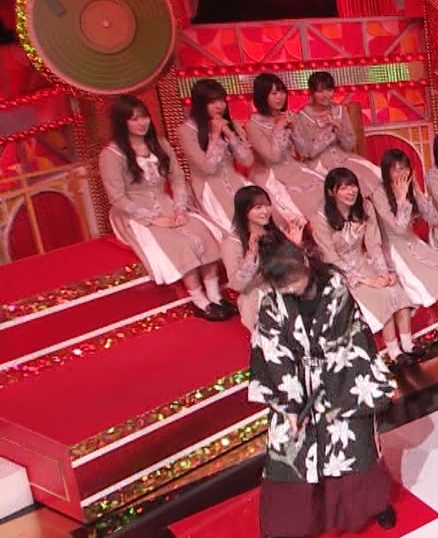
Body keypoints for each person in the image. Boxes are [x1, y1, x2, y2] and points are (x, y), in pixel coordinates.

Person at [244, 233, 398, 538]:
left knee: (354, 442)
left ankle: (374, 504)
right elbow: (272, 354)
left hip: (342, 375)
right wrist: (289, 405)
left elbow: (354, 336)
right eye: (283, 286)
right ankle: (276, 528)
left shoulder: (335, 287)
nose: (291, 290)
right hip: (292, 383)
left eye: (294, 281)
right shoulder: (271, 302)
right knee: (288, 452)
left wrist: (338, 382)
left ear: (305, 263)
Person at [99, 95, 231, 322]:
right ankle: (200, 300)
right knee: (177, 241)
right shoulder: (111, 154)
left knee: (202, 230)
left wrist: (179, 208)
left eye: (144, 117)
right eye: (134, 119)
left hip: (167, 202)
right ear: (122, 122)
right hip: (133, 211)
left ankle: (215, 295)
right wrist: (153, 219)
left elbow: (177, 179)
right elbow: (117, 198)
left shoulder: (160, 144)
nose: (142, 123)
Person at [310, 168, 415, 363]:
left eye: (353, 186)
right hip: (340, 272)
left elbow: (373, 245)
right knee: (381, 297)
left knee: (395, 289)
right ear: (331, 192)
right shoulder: (320, 219)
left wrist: (383, 273)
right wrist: (368, 281)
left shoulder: (365, 207)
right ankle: (394, 352)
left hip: (363, 261)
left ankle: (409, 344)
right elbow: (331, 258)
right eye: (343, 188)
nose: (351, 192)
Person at [372, 148, 438, 322]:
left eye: (404, 168)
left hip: (415, 244)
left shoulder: (410, 186)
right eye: (396, 169)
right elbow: (398, 228)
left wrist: (418, 191)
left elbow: (433, 218)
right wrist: (401, 199)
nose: (401, 173)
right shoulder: (379, 194)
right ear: (386, 172)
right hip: (396, 251)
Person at [246, 72, 326, 228]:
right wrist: (279, 128)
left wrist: (294, 129)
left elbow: (305, 151)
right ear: (262, 96)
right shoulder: (252, 125)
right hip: (270, 174)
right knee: (300, 204)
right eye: (274, 93)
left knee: (324, 192)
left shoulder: (290, 117)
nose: (280, 97)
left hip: (294, 168)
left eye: (282, 92)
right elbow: (273, 157)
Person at [221, 187, 305, 331]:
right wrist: (251, 257)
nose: (265, 211)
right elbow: (237, 285)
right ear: (244, 211)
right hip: (258, 298)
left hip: (286, 291)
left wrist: (295, 247)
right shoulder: (232, 243)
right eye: (258, 207)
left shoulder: (274, 232)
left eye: (267, 205)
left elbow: (293, 269)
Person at [176, 79, 254, 230]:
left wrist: (230, 134)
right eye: (212, 102)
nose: (220, 106)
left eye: (222, 100)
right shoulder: (186, 131)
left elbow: (247, 161)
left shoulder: (231, 124)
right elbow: (208, 169)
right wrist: (215, 135)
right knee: (234, 227)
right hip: (209, 189)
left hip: (236, 184)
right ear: (200, 104)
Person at [292, 71, 382, 196]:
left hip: (345, 158)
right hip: (318, 164)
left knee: (375, 178)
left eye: (329, 90)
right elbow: (307, 152)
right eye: (320, 91)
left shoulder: (340, 110)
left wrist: (337, 125)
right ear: (311, 92)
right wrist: (326, 132)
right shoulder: (302, 116)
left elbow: (350, 144)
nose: (325, 95)